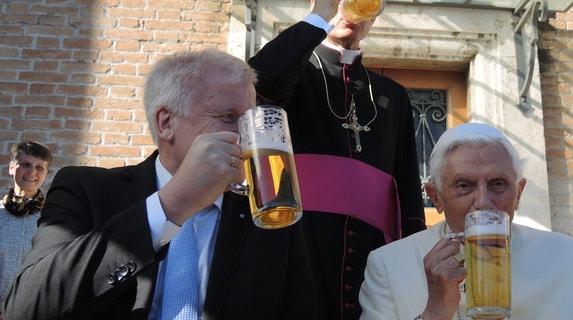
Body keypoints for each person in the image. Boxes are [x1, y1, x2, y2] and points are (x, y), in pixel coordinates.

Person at [2, 49, 318, 320]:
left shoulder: (268, 214)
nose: (248, 135)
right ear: (166, 123)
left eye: (250, 119)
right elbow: (26, 308)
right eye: (228, 116)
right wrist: (173, 203)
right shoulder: (86, 188)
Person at [248, 0, 426, 318]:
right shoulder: (295, 73)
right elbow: (258, 82)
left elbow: (408, 189)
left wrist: (415, 262)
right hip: (299, 241)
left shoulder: (393, 94)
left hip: (374, 257)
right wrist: (320, 16)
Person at [358, 122, 573, 320]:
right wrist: (434, 313)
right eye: (464, 186)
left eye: (498, 184)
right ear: (436, 197)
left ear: (518, 194)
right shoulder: (388, 265)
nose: (483, 201)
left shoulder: (571, 259)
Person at [0, 141, 52, 317]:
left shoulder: (53, 218)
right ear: (12, 167)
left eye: (40, 167)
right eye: (25, 164)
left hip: (34, 312)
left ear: (46, 174)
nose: (32, 172)